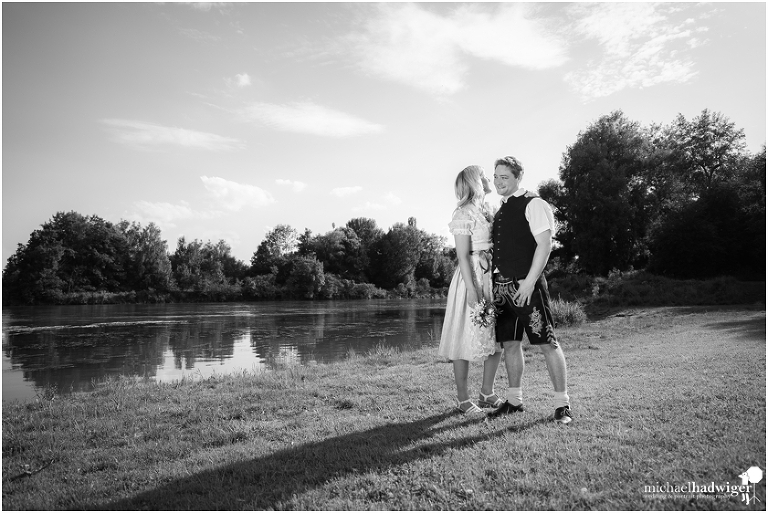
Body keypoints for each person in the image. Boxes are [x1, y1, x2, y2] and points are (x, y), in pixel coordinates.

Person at [489, 156, 573, 424]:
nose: (498, 181)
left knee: (547, 342)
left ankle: (563, 405)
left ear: (517, 178)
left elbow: (545, 245)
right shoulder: (501, 210)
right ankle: (514, 400)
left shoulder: (533, 203)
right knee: (510, 344)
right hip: (501, 288)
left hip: (527, 285)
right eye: (496, 176)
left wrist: (528, 282)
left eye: (505, 177)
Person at [438, 165, 504, 414]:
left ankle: (487, 392)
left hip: (491, 276)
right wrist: (473, 290)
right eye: (485, 175)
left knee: (497, 336)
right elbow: (463, 256)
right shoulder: (463, 214)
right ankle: (463, 399)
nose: (489, 179)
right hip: (471, 277)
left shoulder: (487, 210)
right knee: (463, 337)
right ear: (475, 181)